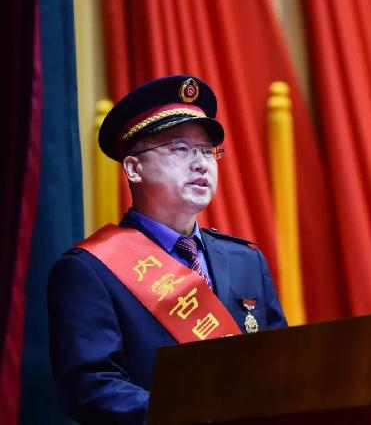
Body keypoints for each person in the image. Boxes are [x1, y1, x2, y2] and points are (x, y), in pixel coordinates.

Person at [47, 75, 287, 424]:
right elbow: (91, 387)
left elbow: (281, 368)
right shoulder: (91, 270)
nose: (201, 163)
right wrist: (195, 414)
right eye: (180, 149)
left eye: (206, 150)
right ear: (134, 168)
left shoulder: (247, 262)